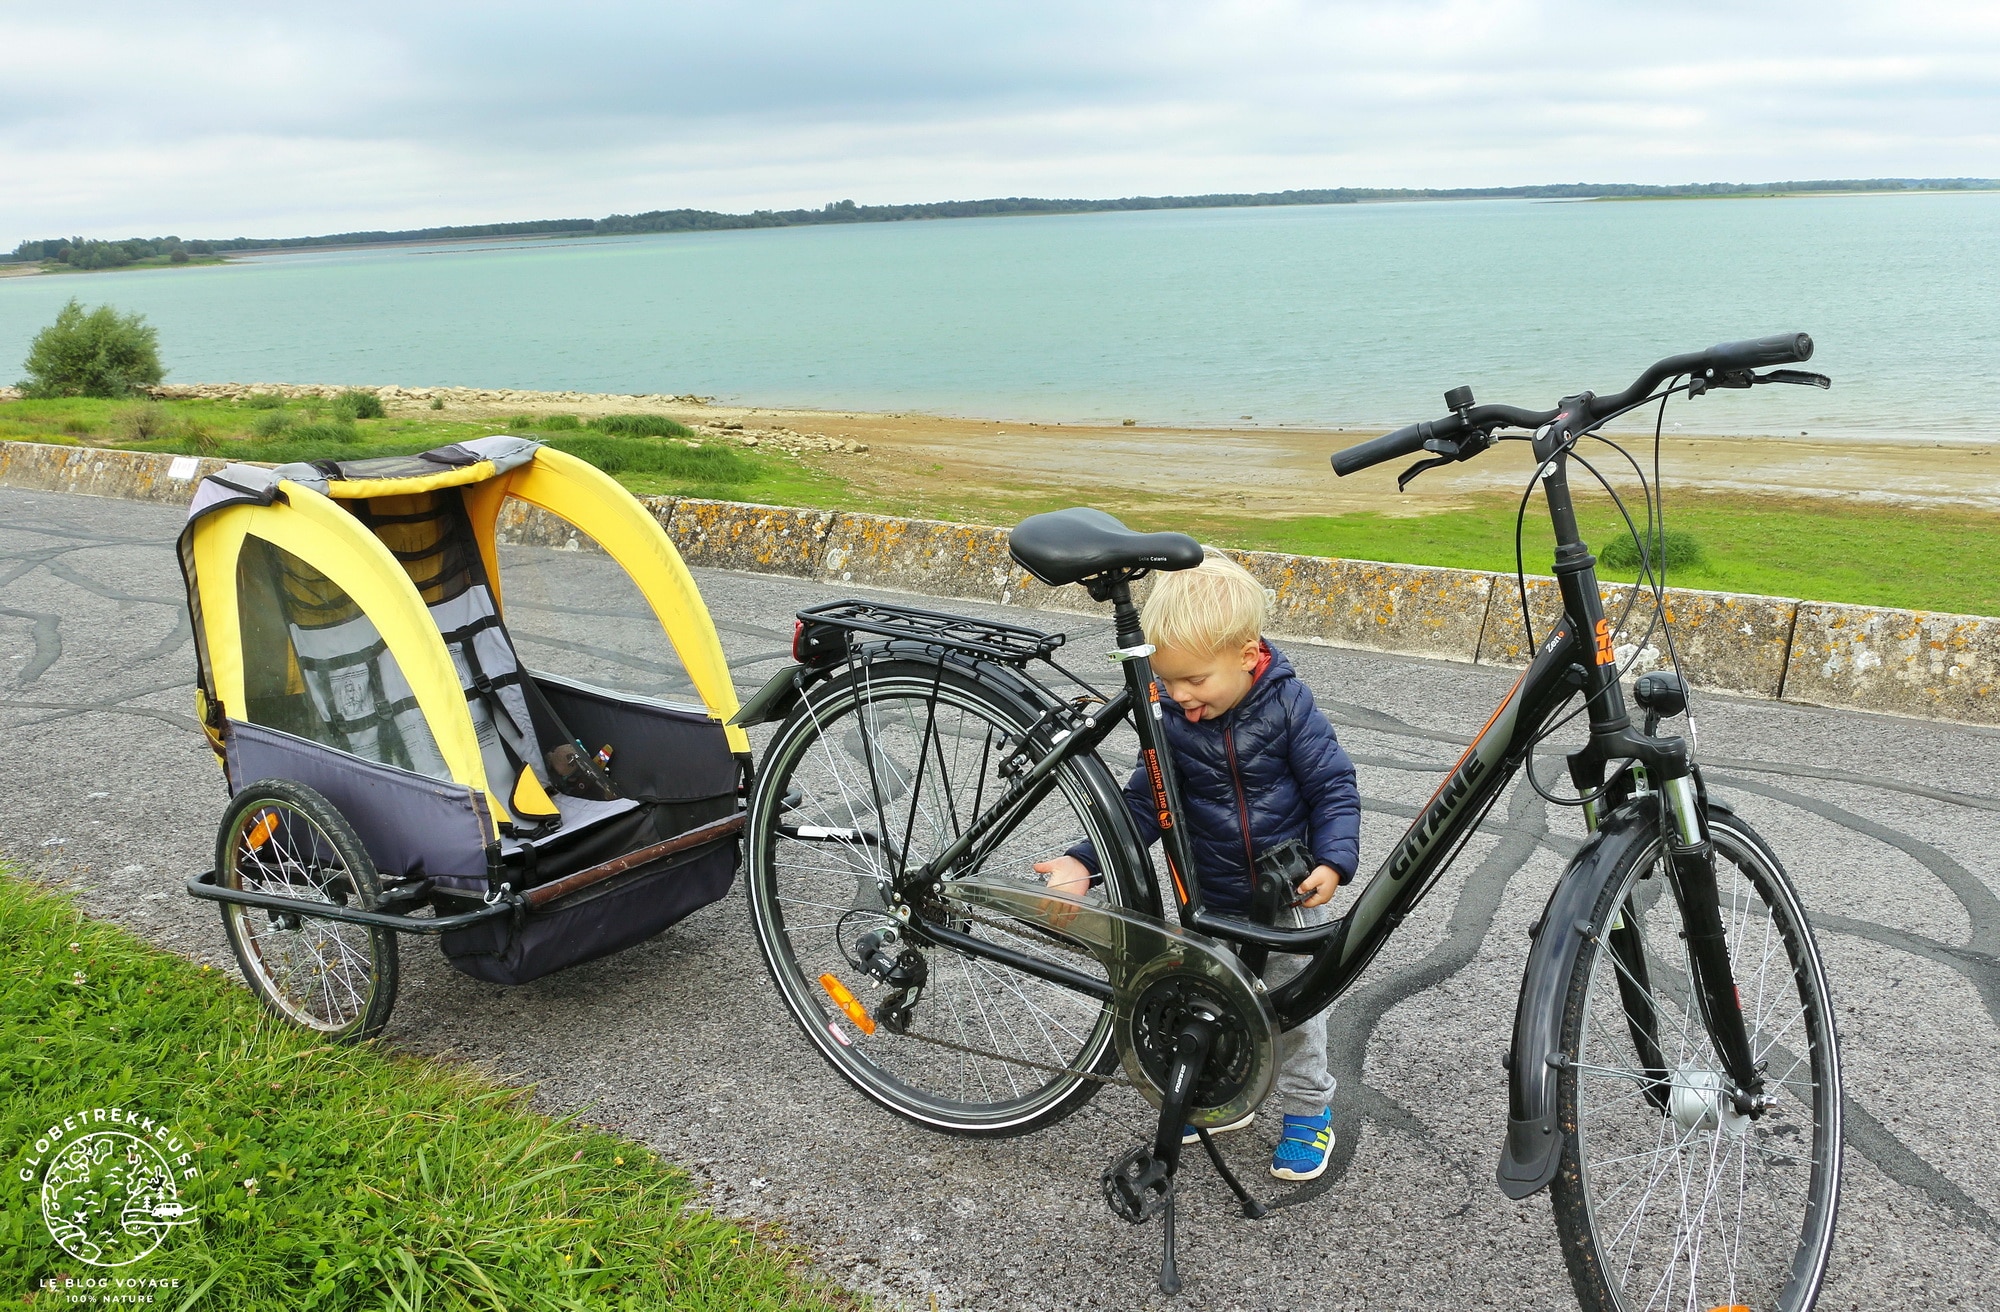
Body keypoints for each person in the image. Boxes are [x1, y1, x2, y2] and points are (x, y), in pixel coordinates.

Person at [1035, 551, 1360, 1182]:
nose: (1179, 696)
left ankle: (1306, 1112)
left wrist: (1334, 860)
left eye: (1194, 680)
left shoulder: (1289, 706)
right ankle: (1216, 1089)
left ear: (1245, 653)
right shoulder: (1171, 715)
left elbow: (1334, 788)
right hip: (1206, 890)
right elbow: (1142, 804)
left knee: (1293, 1012)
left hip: (1282, 892)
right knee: (1204, 999)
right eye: (1167, 680)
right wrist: (1084, 861)